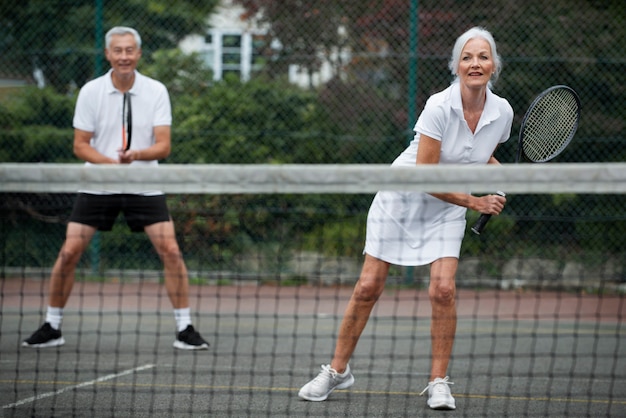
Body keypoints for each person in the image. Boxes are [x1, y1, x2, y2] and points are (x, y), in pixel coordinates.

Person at [298, 27, 513, 410]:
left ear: (494, 65)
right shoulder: (438, 106)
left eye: (483, 56)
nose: (475, 64)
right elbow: (425, 176)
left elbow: (478, 156)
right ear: (456, 66)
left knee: (443, 290)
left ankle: (439, 382)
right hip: (402, 198)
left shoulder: (503, 113)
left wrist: (503, 179)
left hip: (447, 208)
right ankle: (336, 371)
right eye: (467, 57)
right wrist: (476, 202)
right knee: (368, 287)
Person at [22, 26, 209, 351]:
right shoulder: (90, 92)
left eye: (129, 50)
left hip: (144, 183)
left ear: (138, 54)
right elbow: (80, 146)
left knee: (171, 251)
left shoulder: (156, 91)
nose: (124, 56)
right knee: (69, 253)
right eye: (118, 50)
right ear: (108, 54)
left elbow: (163, 146)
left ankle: (185, 328)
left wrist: (136, 155)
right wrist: (110, 165)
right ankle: (52, 325)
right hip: (98, 184)